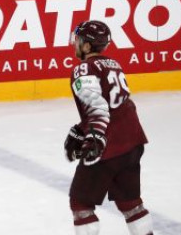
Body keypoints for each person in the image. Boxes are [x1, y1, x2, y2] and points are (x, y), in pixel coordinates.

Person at [65, 20, 152, 235]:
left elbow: (97, 107)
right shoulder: (112, 64)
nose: (75, 43)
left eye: (79, 40)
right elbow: (115, 106)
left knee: (81, 204)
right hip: (133, 141)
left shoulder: (84, 68)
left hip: (108, 146)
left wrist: (94, 135)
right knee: (131, 203)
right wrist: (81, 128)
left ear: (87, 46)